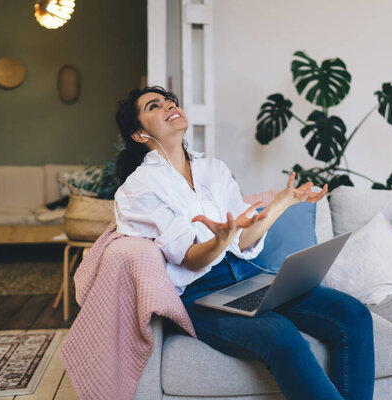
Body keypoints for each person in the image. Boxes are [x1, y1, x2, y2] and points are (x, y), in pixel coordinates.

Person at [113, 85, 375, 400]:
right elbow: (191, 259)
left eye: (170, 100)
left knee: (353, 314)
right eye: (155, 106)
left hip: (250, 277)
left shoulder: (214, 169)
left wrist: (281, 203)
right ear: (140, 134)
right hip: (201, 294)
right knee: (280, 335)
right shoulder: (138, 188)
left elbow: (244, 237)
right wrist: (221, 239)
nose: (169, 105)